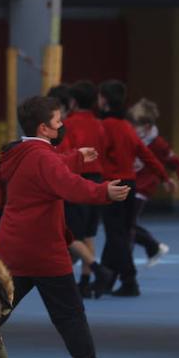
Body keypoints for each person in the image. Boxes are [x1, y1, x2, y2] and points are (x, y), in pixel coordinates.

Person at [0, 95, 131, 358]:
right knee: (70, 315)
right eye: (58, 121)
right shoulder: (42, 157)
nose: (62, 125)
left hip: (12, 247)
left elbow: (49, 166)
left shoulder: (23, 152)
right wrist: (104, 191)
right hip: (42, 250)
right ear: (44, 128)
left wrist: (77, 157)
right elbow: (68, 185)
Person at [97, 80, 170, 297]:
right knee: (118, 234)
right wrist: (164, 176)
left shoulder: (104, 127)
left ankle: (129, 280)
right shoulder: (127, 128)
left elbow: (95, 155)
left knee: (116, 235)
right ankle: (107, 280)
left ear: (104, 100)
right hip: (130, 184)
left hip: (112, 185)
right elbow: (146, 155)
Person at [55, 80, 109, 297]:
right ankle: (85, 282)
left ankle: (97, 269)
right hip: (97, 178)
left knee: (71, 234)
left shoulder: (68, 124)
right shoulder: (99, 124)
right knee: (88, 234)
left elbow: (66, 155)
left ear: (73, 102)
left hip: (78, 179)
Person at [128, 98, 179, 266]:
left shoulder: (158, 143)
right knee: (126, 224)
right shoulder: (131, 137)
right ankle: (152, 247)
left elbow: (174, 162)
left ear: (147, 126)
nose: (132, 128)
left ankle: (132, 259)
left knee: (127, 224)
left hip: (143, 187)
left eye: (135, 125)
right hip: (129, 183)